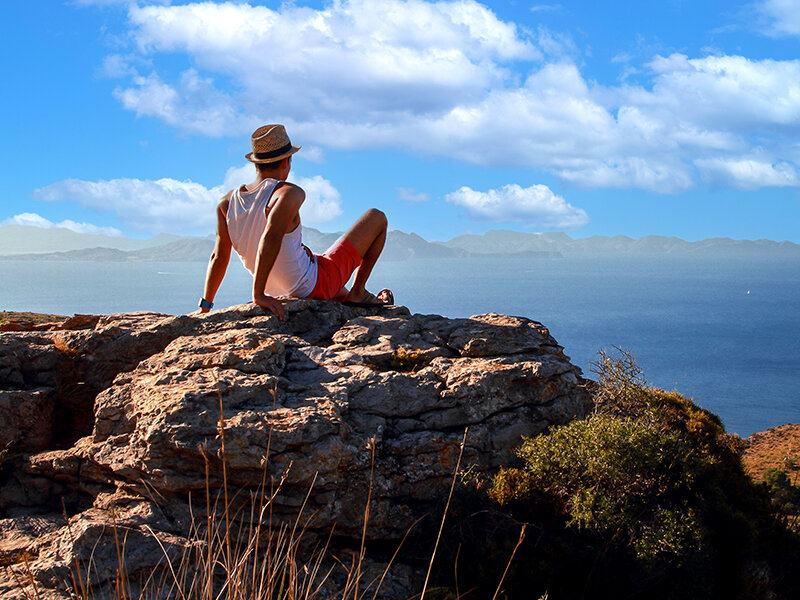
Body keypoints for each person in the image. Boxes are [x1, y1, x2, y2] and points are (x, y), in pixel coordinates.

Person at [196, 124, 393, 320]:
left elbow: (219, 257)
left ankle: (347, 296)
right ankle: (358, 292)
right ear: (286, 162)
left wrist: (206, 306)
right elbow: (270, 238)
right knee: (376, 217)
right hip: (310, 285)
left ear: (256, 164)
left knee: (326, 272)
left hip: (278, 288)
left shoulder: (227, 203)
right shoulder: (288, 193)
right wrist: (258, 296)